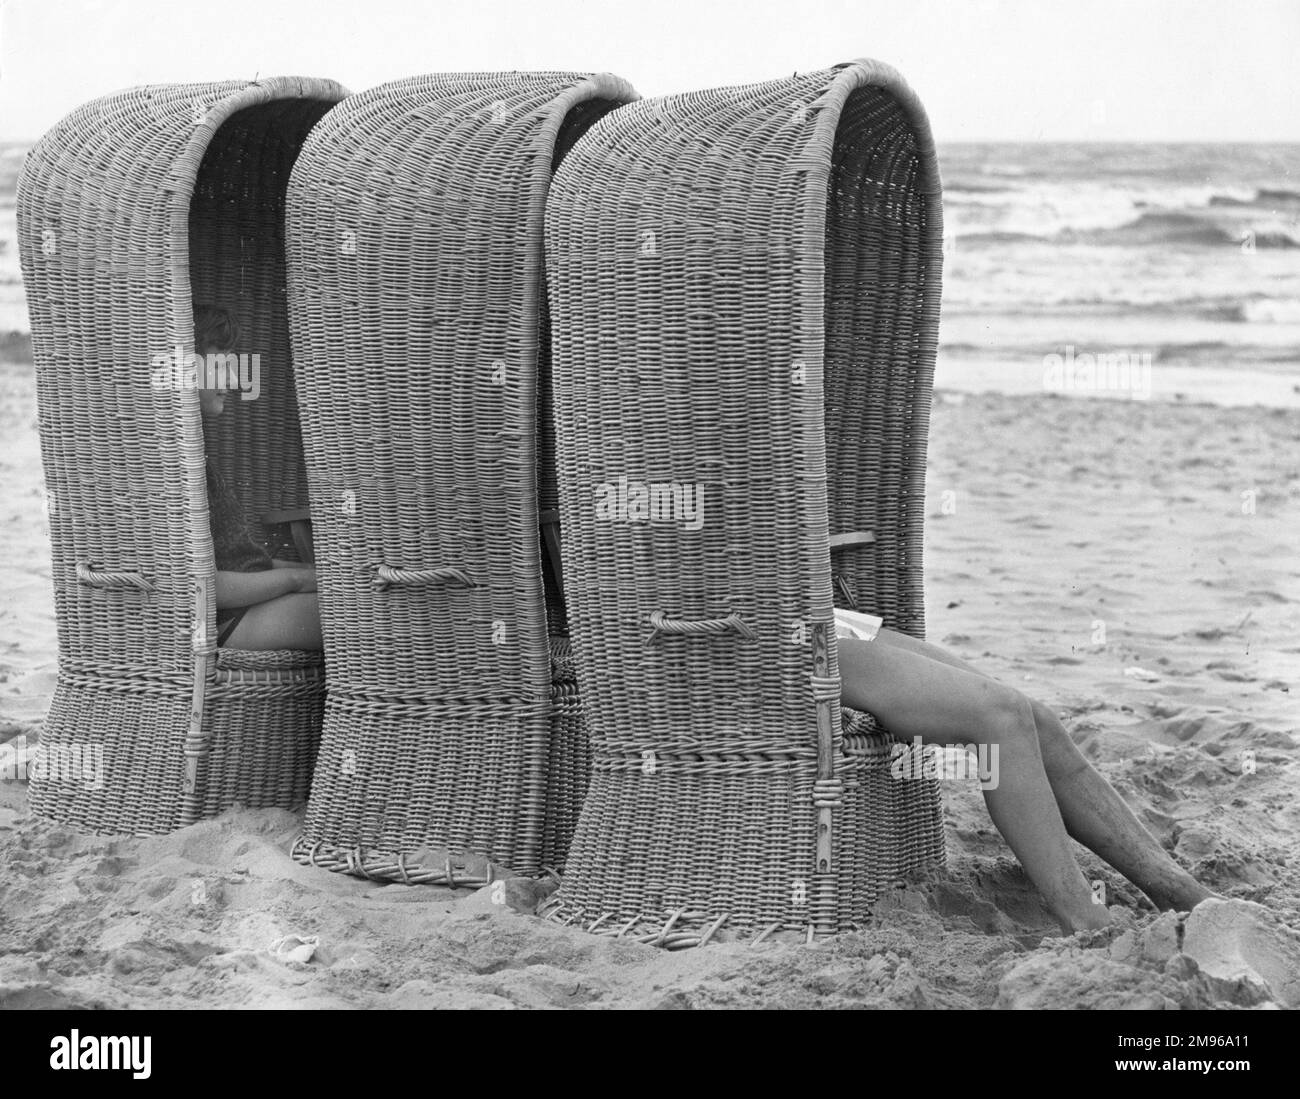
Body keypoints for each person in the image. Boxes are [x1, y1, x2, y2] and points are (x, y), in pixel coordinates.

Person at [834, 610, 1213, 935]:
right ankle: (1084, 917)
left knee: (1036, 720)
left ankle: (1177, 890)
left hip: (817, 615)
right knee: (1002, 718)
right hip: (784, 637)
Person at [194, 304, 322, 651]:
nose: (234, 381)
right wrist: (298, 578)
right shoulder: (178, 469)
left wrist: (319, 574)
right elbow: (204, 586)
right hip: (225, 621)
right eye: (221, 365)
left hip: (248, 608)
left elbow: (246, 562)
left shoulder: (196, 456)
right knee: (366, 616)